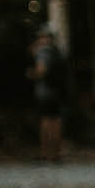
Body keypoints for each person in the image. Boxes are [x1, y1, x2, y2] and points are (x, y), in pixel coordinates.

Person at [28, 29, 67, 162]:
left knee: (46, 122)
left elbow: (41, 71)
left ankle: (45, 153)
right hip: (57, 91)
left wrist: (31, 74)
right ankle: (56, 153)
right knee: (56, 121)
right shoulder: (57, 51)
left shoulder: (43, 52)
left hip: (45, 93)